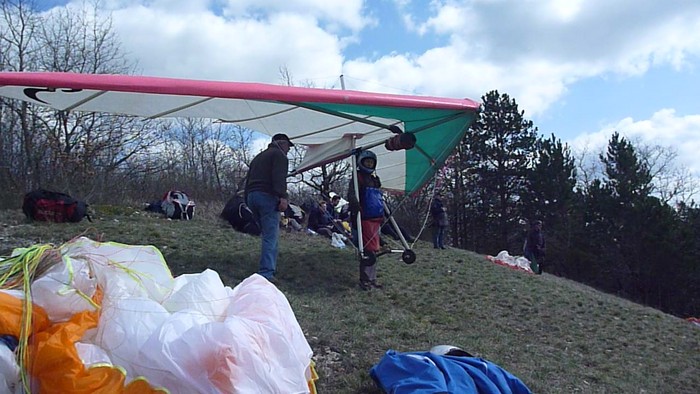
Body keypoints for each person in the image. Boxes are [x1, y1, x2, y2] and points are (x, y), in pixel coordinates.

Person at [245, 133, 294, 282]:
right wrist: (283, 197)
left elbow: (248, 180)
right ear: (282, 143)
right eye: (288, 147)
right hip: (267, 197)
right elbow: (278, 178)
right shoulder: (279, 156)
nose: (289, 150)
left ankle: (265, 267)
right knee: (270, 237)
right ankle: (266, 273)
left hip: (252, 196)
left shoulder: (259, 157)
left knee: (266, 235)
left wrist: (247, 199)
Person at [348, 149, 385, 290]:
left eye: (371, 163)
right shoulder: (357, 177)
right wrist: (355, 205)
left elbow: (378, 195)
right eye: (367, 162)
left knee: (374, 249)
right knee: (367, 250)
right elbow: (351, 193)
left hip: (374, 216)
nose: (369, 165)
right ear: (361, 163)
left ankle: (372, 279)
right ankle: (365, 280)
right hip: (363, 216)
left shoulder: (373, 178)